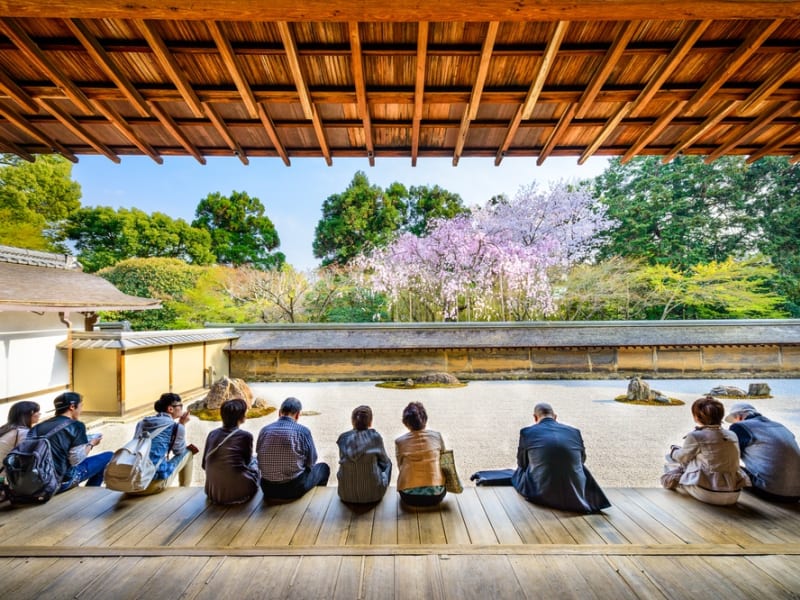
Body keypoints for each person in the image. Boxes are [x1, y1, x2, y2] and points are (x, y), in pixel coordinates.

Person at [511, 402, 610, 513]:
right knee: (579, 468)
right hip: (575, 491)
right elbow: (582, 460)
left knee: (520, 472)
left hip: (541, 491)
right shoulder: (575, 432)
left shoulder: (527, 432)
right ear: (555, 417)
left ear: (535, 417)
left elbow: (522, 464)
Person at [661, 396, 750, 506]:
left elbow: (681, 458)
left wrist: (673, 450)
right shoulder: (732, 434)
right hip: (734, 493)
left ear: (697, 417)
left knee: (670, 463)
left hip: (709, 493)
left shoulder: (696, 436)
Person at [26, 392, 112, 493]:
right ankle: (90, 492)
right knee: (109, 456)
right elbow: (76, 459)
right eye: (81, 406)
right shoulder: (76, 426)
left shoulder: (37, 427)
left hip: (38, 480)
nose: (81, 410)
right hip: (62, 481)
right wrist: (91, 443)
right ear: (72, 407)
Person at [725, 402, 800, 503]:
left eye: (734, 420)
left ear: (739, 416)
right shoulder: (780, 426)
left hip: (770, 490)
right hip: (796, 494)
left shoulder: (740, 427)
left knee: (726, 465)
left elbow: (729, 456)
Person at [256, 397, 329, 501]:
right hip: (293, 489)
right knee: (323, 468)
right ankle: (314, 502)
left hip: (267, 489)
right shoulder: (303, 431)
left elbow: (259, 456)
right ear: (298, 414)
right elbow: (312, 460)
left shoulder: (264, 430)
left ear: (279, 412)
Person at [127, 392, 197, 496]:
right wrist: (182, 425)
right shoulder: (176, 427)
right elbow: (179, 451)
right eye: (180, 406)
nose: (182, 408)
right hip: (150, 486)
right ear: (170, 409)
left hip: (130, 484)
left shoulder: (142, 423)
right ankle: (185, 491)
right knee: (189, 452)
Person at [202, 398, 260, 505]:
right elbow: (247, 462)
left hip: (213, 492)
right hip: (237, 494)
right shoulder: (245, 436)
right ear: (241, 417)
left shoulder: (212, 434)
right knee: (257, 460)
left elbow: (204, 465)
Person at [336, 405, 392, 504]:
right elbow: (384, 461)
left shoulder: (343, 438)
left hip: (345, 495)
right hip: (374, 496)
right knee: (387, 463)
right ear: (370, 422)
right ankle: (378, 486)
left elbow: (342, 458)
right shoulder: (375, 437)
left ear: (352, 421)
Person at [395, 401, 447, 507]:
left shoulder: (400, 441)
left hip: (409, 496)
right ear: (425, 419)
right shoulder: (437, 436)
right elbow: (444, 460)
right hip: (436, 495)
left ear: (406, 422)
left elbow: (400, 465)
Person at [0, 401, 41, 467]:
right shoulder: (22, 432)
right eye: (37, 411)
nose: (39, 414)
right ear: (29, 413)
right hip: (5, 475)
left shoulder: (5, 428)